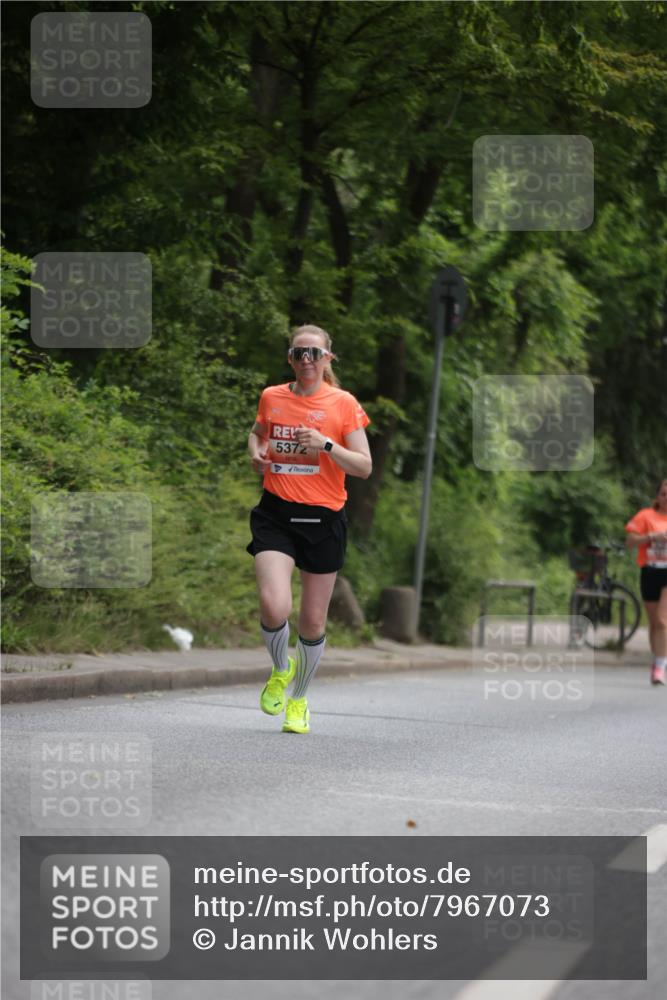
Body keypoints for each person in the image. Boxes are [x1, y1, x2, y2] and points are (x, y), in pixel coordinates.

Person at [246, 324, 371, 733]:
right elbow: (258, 433)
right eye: (299, 353)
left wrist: (327, 445)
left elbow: (364, 466)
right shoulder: (272, 397)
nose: (306, 361)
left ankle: (298, 700)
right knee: (273, 604)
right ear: (290, 358)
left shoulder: (343, 404)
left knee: (312, 623)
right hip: (277, 513)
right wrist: (256, 454)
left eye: (314, 354)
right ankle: (281, 669)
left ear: (327, 359)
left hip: (324, 519)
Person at [625, 479, 667, 685]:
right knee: (653, 624)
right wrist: (652, 536)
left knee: (661, 621)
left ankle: (660, 667)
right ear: (657, 496)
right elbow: (630, 541)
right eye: (664, 494)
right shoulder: (645, 516)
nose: (666, 498)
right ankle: (658, 659)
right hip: (650, 571)